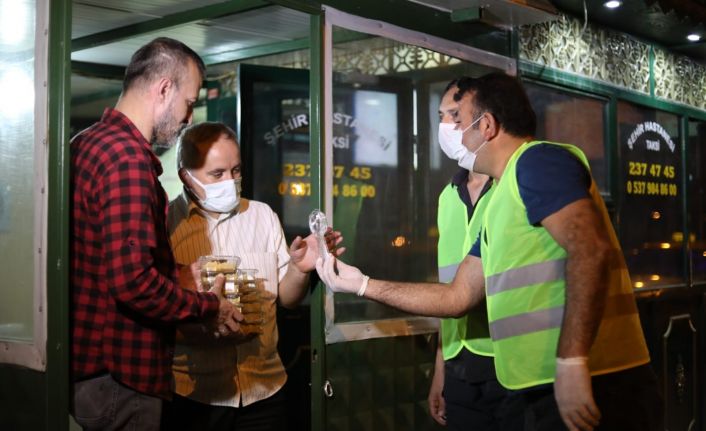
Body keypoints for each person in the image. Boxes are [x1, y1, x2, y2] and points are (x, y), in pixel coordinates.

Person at [317, 73, 663, 431]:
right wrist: (361, 284)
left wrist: (572, 361)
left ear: (486, 126)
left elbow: (590, 250)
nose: (454, 134)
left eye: (460, 121)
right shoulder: (500, 198)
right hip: (536, 384)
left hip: (598, 378)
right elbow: (457, 298)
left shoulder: (537, 162)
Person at [70, 38, 244, 431]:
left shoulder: (86, 143)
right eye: (189, 102)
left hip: (90, 370)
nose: (188, 117)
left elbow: (102, 261)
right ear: (164, 88)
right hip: (122, 373)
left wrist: (177, 273)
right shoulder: (127, 159)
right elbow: (133, 282)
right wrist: (208, 307)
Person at [161, 121, 343, 431]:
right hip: (195, 396)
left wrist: (299, 269)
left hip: (265, 389)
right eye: (217, 174)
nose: (230, 181)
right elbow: (156, 309)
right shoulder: (165, 225)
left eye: (235, 170)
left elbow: (287, 298)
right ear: (185, 177)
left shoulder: (262, 216)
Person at [430, 78, 519, 430]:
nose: (448, 127)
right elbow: (447, 289)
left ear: (484, 120)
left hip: (508, 361)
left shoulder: (510, 184)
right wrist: (439, 368)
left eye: (455, 114)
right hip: (459, 364)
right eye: (441, 116)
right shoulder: (447, 197)